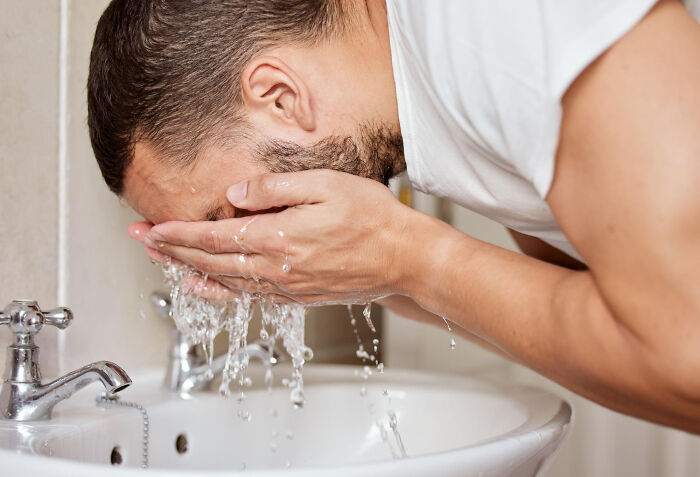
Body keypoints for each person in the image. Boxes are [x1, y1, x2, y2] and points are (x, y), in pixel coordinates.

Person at [87, 0, 700, 432]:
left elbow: (684, 356)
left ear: (281, 97)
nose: (240, 245)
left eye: (226, 218)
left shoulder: (487, 22)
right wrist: (375, 272)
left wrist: (410, 259)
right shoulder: (446, 89)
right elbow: (593, 310)